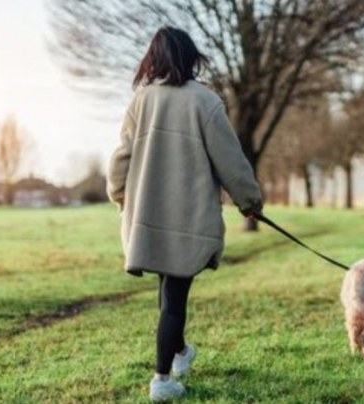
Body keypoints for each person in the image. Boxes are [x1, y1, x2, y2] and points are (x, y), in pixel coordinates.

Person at [106, 26, 263, 402]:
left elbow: (119, 159)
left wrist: (120, 196)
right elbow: (230, 159)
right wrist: (249, 199)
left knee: (168, 293)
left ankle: (179, 353)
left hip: (147, 217)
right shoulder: (204, 102)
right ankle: (162, 379)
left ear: (153, 60)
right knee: (175, 298)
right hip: (189, 219)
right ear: (191, 57)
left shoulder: (140, 102)